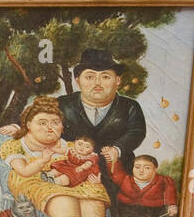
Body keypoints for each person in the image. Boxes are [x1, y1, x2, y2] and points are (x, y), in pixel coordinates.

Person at [0, 97, 111, 217]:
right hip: (34, 179)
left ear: (62, 127)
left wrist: (95, 178)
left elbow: (88, 165)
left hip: (74, 178)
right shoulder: (15, 145)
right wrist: (43, 161)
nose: (49, 127)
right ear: (29, 124)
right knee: (64, 201)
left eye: (55, 123)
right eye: (42, 123)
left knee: (92, 197)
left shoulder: (71, 147)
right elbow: (24, 171)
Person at [57, 49, 147, 192]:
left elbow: (137, 131)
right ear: (78, 81)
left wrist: (118, 149)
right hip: (71, 171)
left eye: (105, 77)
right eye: (90, 77)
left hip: (117, 173)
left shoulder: (130, 106)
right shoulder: (63, 104)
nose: (97, 83)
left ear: (118, 80)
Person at [107, 154, 179, 217]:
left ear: (155, 169)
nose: (141, 171)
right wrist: (114, 161)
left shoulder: (163, 180)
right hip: (128, 206)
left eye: (147, 168)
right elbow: (115, 173)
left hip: (153, 207)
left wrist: (172, 205)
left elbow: (170, 191)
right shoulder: (125, 179)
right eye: (137, 167)